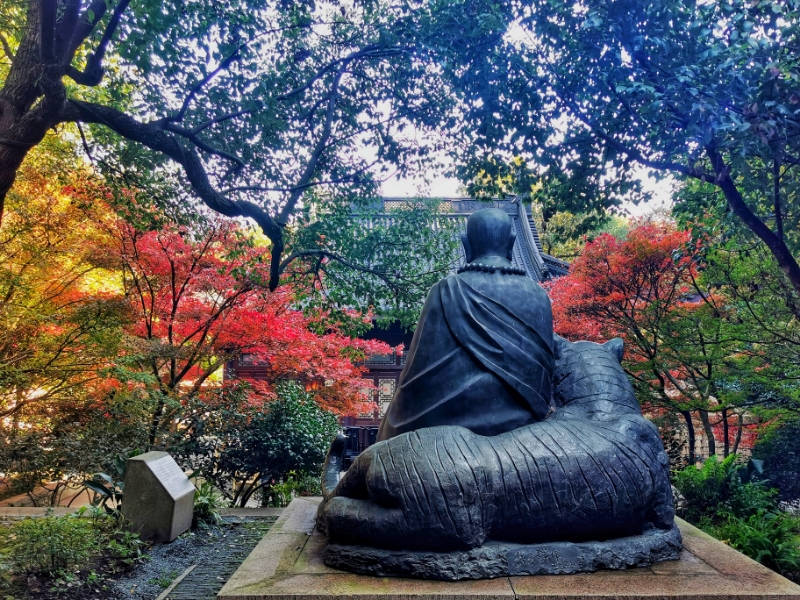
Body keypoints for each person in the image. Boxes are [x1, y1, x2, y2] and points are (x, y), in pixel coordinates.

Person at [378, 207, 556, 440]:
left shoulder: (445, 291)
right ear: (512, 243)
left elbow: (415, 384)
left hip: (448, 431)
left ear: (466, 245)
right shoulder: (539, 296)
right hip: (524, 430)